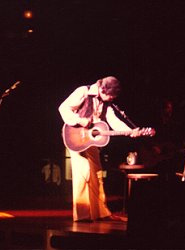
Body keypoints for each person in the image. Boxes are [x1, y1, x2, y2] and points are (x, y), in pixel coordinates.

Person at [58, 76, 144, 222]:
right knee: (83, 173)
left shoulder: (105, 102)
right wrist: (80, 120)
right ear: (103, 89)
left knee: (97, 173)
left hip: (91, 140)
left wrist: (130, 131)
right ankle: (82, 215)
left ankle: (100, 213)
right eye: (110, 95)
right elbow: (63, 108)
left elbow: (113, 121)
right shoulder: (83, 91)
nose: (111, 98)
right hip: (75, 136)